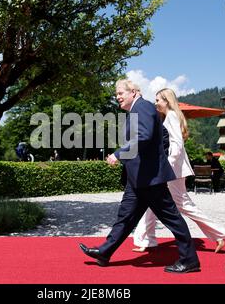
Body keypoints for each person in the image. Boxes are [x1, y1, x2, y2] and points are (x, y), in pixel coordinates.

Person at [79, 79, 200, 273]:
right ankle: (104, 251)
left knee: (172, 219)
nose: (117, 97)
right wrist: (158, 155)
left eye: (120, 93)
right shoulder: (138, 110)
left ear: (133, 92)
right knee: (125, 217)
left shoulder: (142, 107)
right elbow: (161, 136)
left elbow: (143, 136)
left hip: (150, 178)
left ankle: (189, 260)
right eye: (116, 94)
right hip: (139, 178)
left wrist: (119, 154)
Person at [132, 88, 225, 254]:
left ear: (167, 101)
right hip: (172, 168)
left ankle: (219, 234)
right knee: (155, 201)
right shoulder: (169, 117)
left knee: (181, 203)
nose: (155, 103)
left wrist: (166, 166)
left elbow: (177, 145)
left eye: (158, 100)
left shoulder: (171, 116)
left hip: (172, 169)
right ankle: (146, 239)